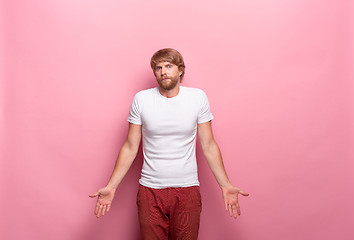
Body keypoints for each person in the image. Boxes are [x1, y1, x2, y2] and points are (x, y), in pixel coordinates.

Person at [90, 48, 249, 240]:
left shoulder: (197, 98)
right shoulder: (142, 99)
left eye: (169, 66)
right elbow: (131, 147)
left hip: (187, 189)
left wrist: (225, 185)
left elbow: (208, 144)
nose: (163, 71)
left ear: (180, 70)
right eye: (158, 67)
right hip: (150, 190)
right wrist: (111, 186)